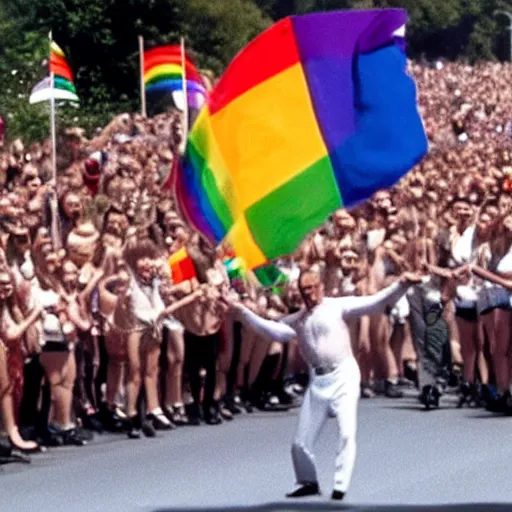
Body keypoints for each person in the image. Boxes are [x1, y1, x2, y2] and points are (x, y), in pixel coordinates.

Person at [225, 265, 422, 501]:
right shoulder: (297, 320)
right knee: (300, 442)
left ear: (321, 288)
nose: (308, 293)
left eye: (311, 288)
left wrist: (402, 284)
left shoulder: (336, 306)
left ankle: (340, 485)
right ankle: (307, 481)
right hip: (318, 382)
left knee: (347, 432)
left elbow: (375, 302)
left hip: (344, 375)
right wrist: (243, 313)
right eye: (303, 289)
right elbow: (273, 331)